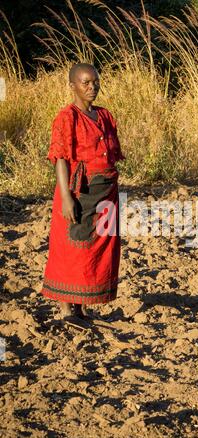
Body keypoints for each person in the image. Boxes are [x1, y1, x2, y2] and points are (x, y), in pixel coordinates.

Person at [41, 63, 126, 322]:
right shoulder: (67, 117)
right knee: (73, 247)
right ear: (72, 86)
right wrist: (66, 196)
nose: (92, 87)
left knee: (98, 249)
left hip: (106, 192)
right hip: (80, 191)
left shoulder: (105, 116)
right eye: (85, 82)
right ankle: (67, 308)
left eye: (95, 82)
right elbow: (61, 158)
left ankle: (83, 306)